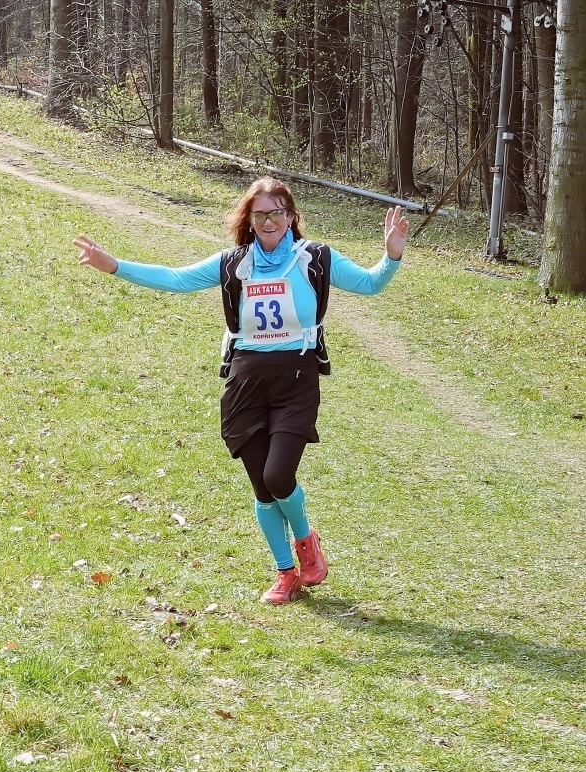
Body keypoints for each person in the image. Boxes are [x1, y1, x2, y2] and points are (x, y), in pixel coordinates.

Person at [74, 178, 409, 604]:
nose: (269, 221)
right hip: (245, 381)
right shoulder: (233, 263)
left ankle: (306, 543)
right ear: (249, 220)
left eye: (277, 212)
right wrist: (115, 265)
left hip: (296, 378)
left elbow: (370, 284)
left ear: (290, 217)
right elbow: (176, 278)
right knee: (262, 490)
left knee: (278, 476)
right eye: (260, 214)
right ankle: (285, 573)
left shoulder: (317, 259)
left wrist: (391, 255)